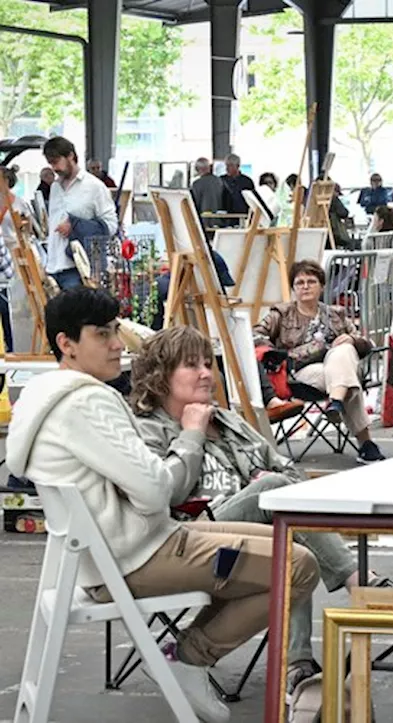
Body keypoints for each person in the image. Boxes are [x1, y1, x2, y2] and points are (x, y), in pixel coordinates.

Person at [7, 286, 320, 723]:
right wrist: (190, 439)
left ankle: (189, 656)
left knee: (286, 539)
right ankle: (189, 658)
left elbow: (149, 490)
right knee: (297, 566)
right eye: (102, 334)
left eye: (116, 330)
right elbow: (156, 492)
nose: (117, 344)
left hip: (117, 550)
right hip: (140, 555)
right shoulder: (86, 401)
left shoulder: (43, 399)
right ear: (67, 343)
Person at [131, 325, 390, 694]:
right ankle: (360, 583)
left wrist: (266, 482)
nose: (206, 372)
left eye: (209, 363)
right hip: (194, 542)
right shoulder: (147, 431)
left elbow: (289, 470)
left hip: (257, 535)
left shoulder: (229, 421)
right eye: (192, 365)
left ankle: (297, 666)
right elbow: (162, 494)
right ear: (161, 375)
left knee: (293, 547)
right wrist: (190, 434)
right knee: (273, 493)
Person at [253, 259, 386, 463]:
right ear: (293, 288)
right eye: (300, 283)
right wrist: (279, 354)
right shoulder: (281, 314)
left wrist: (351, 339)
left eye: (311, 281)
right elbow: (254, 336)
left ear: (322, 286)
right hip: (302, 372)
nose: (305, 287)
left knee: (343, 350)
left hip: (338, 367)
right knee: (346, 378)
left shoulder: (336, 314)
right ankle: (365, 441)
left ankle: (336, 400)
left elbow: (365, 342)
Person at [42, 136, 117, 290]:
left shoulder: (94, 187)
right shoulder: (55, 187)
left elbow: (111, 225)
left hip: (79, 269)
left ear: (70, 156)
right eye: (50, 163)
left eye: (56, 161)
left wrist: (76, 226)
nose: (54, 168)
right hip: (53, 267)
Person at [0, 166, 30, 352]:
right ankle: (7, 343)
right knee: (4, 302)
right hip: (1, 254)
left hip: (17, 252)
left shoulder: (19, 202)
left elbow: (28, 228)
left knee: (17, 302)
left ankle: (16, 343)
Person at [190, 158, 225, 224]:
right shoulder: (219, 181)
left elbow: (194, 203)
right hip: (218, 219)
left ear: (197, 169)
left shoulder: (197, 184)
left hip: (203, 220)